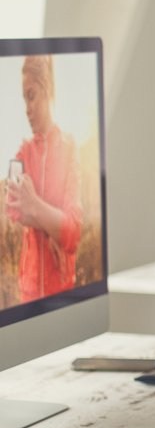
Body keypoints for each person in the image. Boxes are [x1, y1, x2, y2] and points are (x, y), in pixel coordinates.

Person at [4, 54, 83, 304]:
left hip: (60, 291)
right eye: (23, 99)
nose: (27, 108)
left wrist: (35, 206)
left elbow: (73, 231)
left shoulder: (70, 149)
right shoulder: (23, 152)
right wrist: (53, 223)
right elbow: (12, 210)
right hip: (28, 292)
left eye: (31, 95)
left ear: (46, 89)